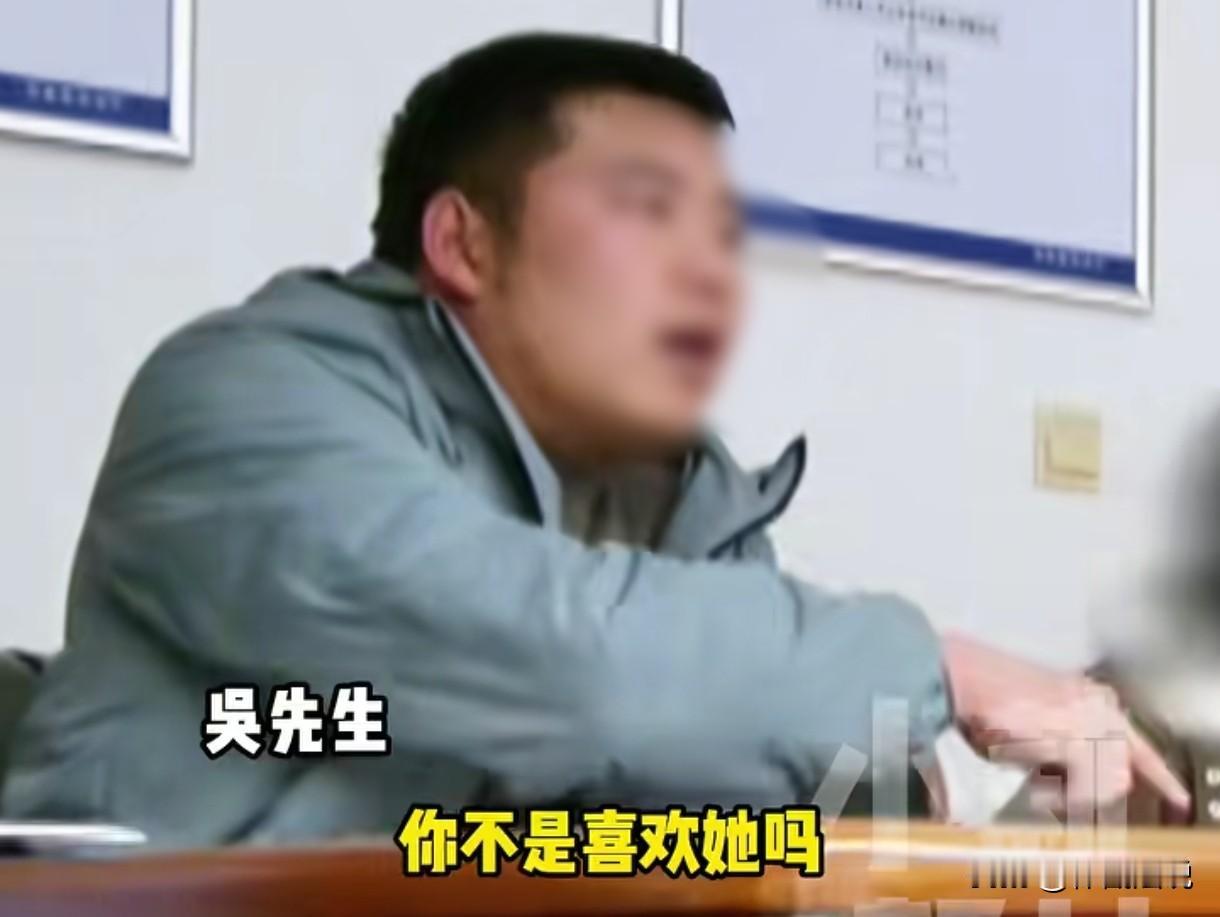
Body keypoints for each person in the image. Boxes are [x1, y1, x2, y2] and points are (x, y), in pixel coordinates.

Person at [0, 33, 1188, 847]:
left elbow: (706, 794)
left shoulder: (683, 501)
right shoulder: (247, 398)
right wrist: (939, 667)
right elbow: (566, 668)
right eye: (645, 209)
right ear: (463, 243)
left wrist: (888, 784)